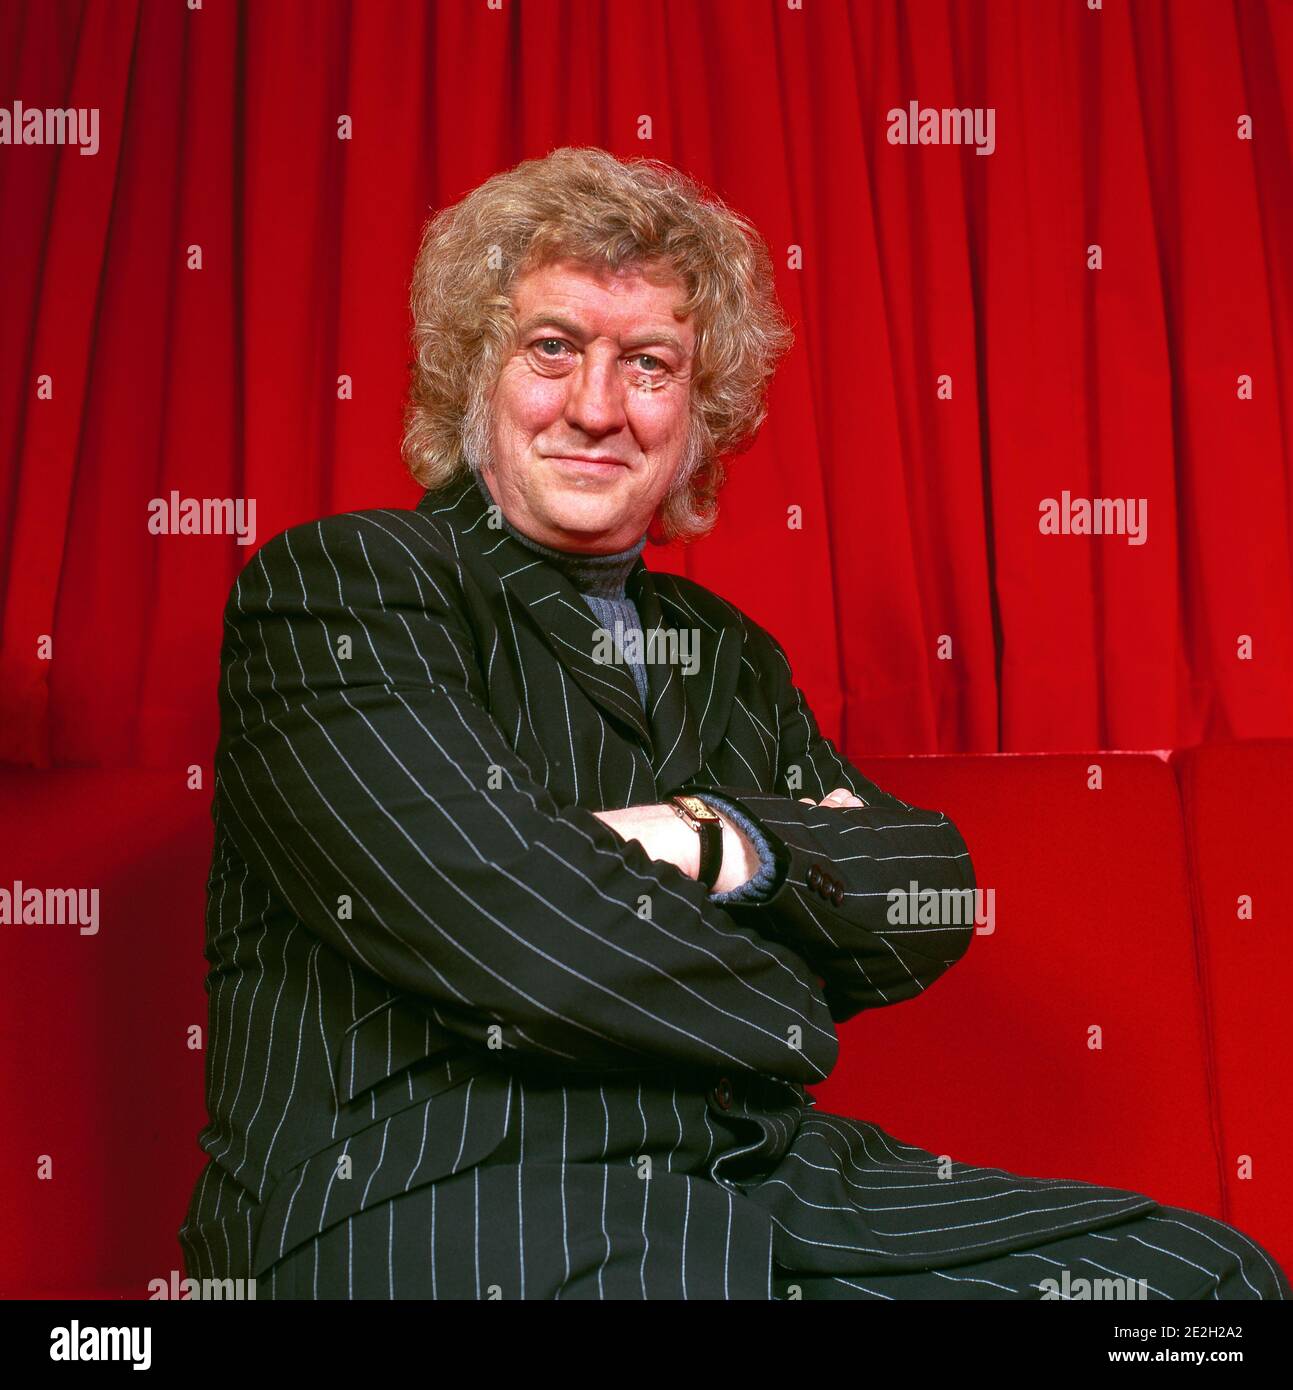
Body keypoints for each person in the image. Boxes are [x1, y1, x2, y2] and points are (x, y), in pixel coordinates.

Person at [179, 146, 1289, 1300]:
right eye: (553, 348)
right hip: (444, 1194)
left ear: (699, 411)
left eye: (648, 364)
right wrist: (792, 983)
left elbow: (928, 890)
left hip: (748, 1178)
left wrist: (714, 838)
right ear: (476, 371)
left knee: (1203, 1289)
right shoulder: (345, 587)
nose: (597, 408)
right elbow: (518, 935)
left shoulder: (725, 650)